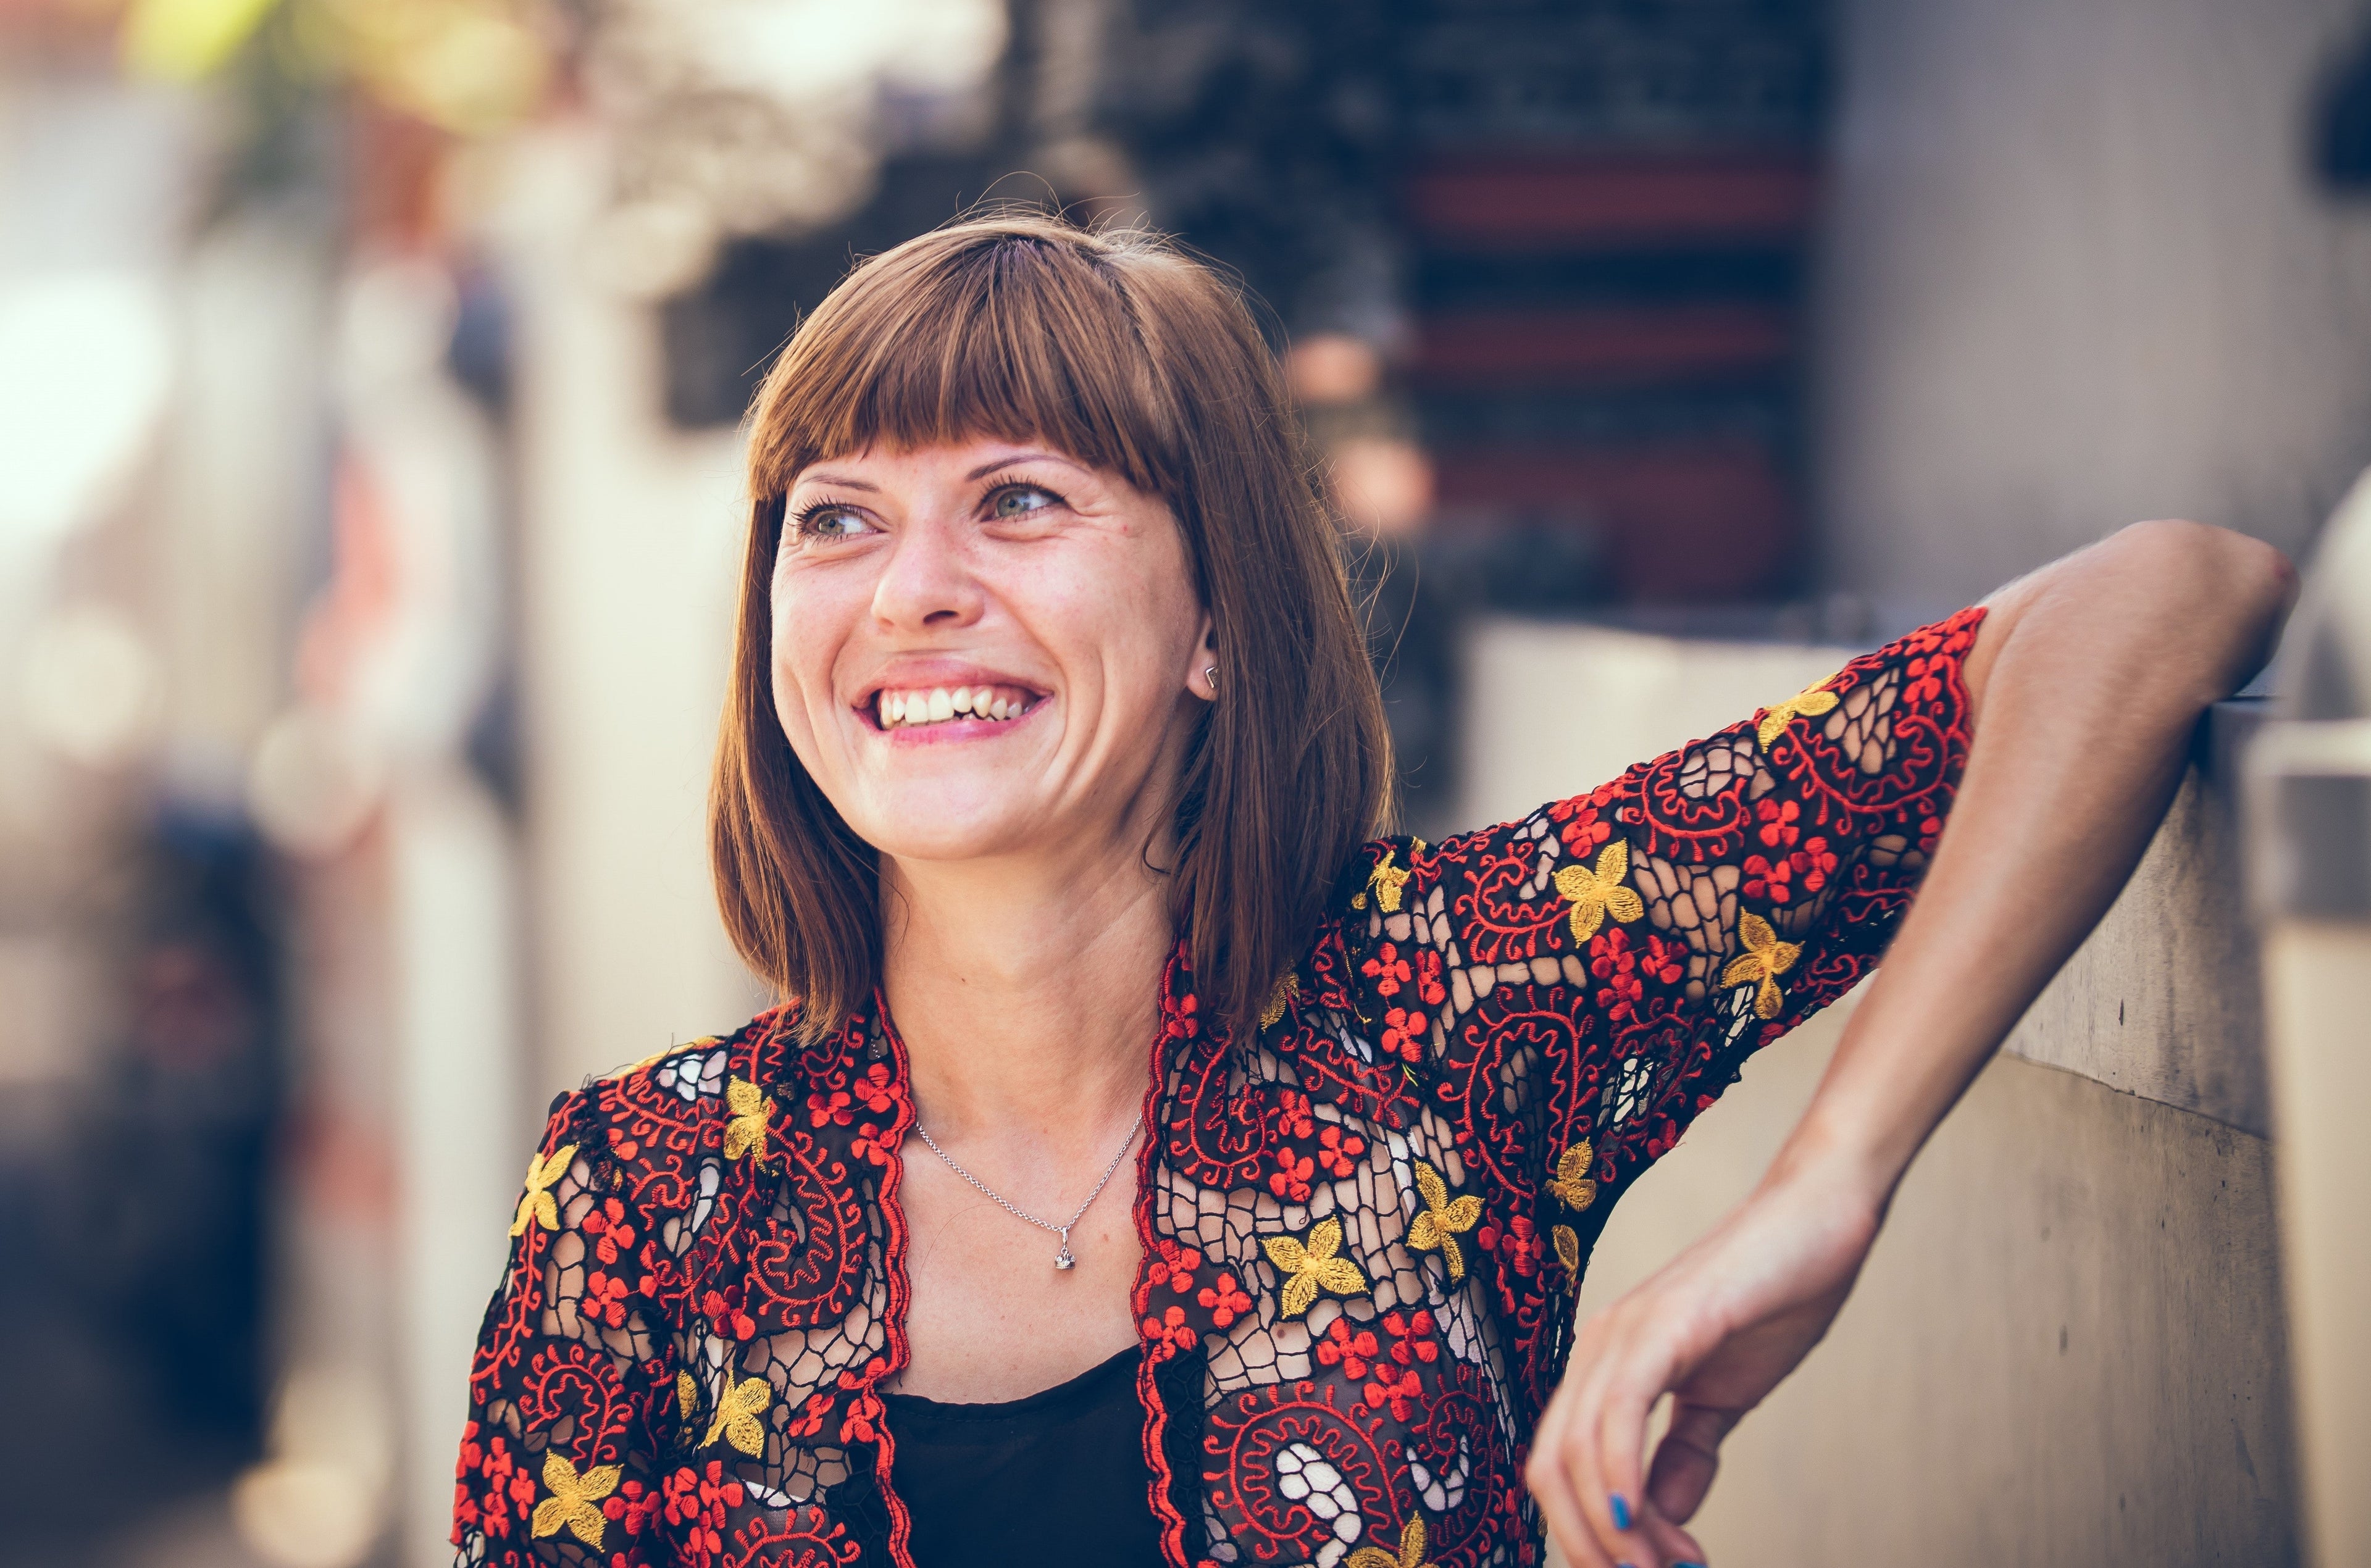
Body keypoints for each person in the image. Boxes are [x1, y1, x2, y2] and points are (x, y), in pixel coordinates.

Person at [448, 215, 2294, 1568]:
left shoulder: (1449, 1009)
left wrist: (1831, 1182)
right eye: (834, 515)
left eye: (1017, 500)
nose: (905, 586)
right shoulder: (640, 1198)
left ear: (1219, 624)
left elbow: (2164, 597)